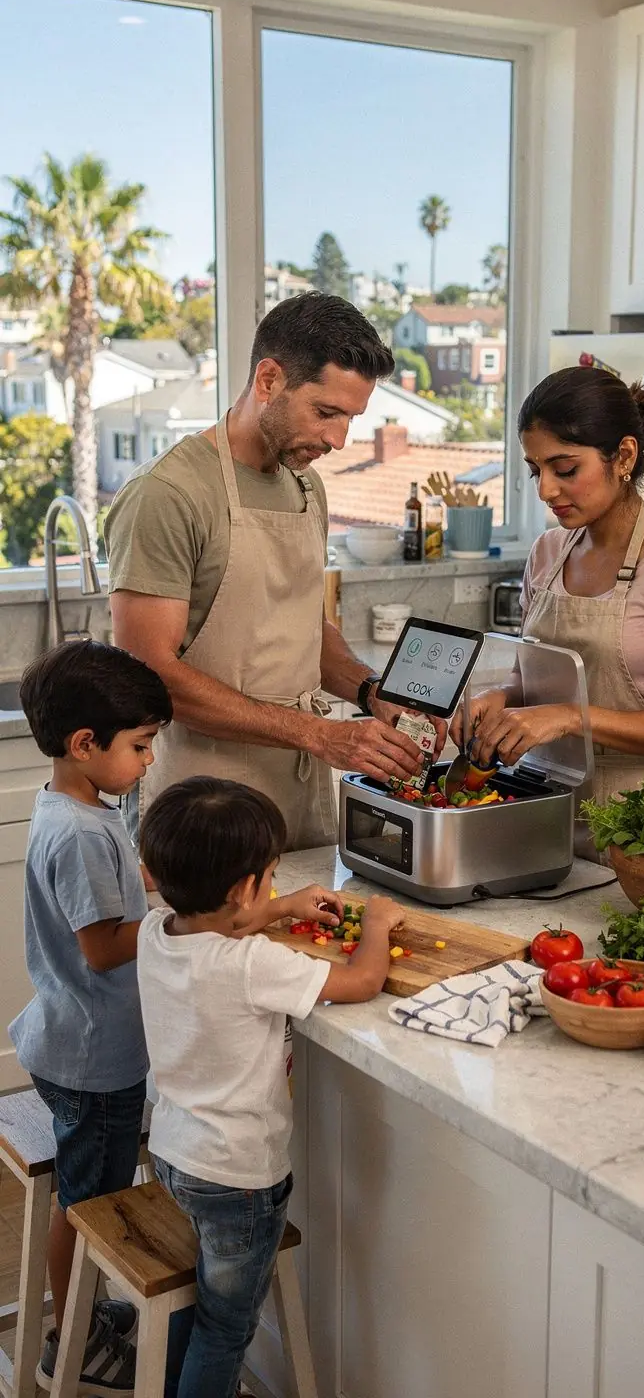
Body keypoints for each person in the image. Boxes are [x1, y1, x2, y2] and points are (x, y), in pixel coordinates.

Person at [105, 292, 443, 852]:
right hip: (199, 807)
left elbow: (304, 629)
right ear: (268, 380)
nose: (338, 440)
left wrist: (372, 691)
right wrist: (318, 734)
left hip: (298, 794)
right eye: (326, 413)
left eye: (350, 419)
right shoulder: (167, 494)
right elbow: (150, 676)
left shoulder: (306, 486)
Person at [137, 776, 400, 1398]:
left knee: (195, 1305)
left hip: (174, 1155)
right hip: (238, 1179)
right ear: (244, 888)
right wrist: (379, 926)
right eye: (271, 876)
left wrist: (283, 907)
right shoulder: (251, 964)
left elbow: (223, 925)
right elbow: (361, 982)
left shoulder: (153, 935)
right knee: (226, 1329)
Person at [457, 366, 644, 810]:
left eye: (565, 469)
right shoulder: (548, 553)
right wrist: (502, 698)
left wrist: (571, 719)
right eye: (535, 471)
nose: (546, 490)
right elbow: (534, 679)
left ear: (624, 456)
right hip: (545, 802)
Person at [9, 640, 173, 1393]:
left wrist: (144, 879)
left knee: (93, 1194)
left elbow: (107, 891)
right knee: (91, 1208)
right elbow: (105, 949)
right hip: (94, 1062)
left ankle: (89, 1317)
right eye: (140, 746)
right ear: (85, 745)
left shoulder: (76, 809)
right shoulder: (79, 833)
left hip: (73, 1040)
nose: (147, 760)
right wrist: (187, 924)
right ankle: (69, 1340)